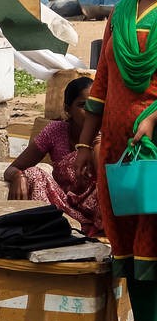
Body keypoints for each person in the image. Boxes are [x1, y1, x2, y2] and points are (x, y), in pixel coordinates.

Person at [76, 0, 157, 321]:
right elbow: (103, 83)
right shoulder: (121, 11)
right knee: (129, 251)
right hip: (118, 157)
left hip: (154, 152)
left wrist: (152, 117)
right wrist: (86, 143)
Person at [5, 77, 102, 236]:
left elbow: (105, 182)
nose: (90, 112)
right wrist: (18, 176)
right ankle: (46, 229)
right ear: (67, 109)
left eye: (95, 106)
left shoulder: (105, 132)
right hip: (63, 208)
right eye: (82, 105)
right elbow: (13, 167)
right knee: (33, 173)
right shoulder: (55, 132)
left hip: (98, 212)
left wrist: (96, 145)